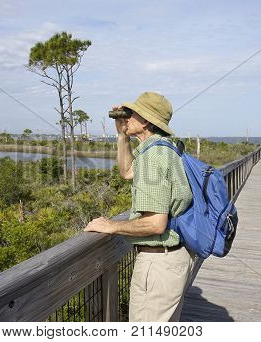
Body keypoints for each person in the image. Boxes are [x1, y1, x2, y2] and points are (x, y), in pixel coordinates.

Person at [84, 91, 195, 322]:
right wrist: (121, 135)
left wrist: (112, 226)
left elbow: (155, 224)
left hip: (158, 265)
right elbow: (127, 172)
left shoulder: (153, 157)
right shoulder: (165, 148)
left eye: (131, 113)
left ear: (145, 121)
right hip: (173, 261)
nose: (126, 117)